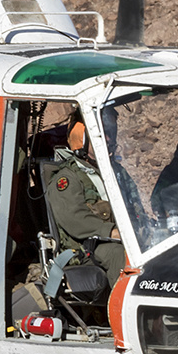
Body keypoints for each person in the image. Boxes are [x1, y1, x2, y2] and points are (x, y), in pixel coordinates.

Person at [44, 118, 126, 290]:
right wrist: (111, 231)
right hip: (85, 248)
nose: (108, 139)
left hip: (121, 238)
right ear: (81, 140)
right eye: (101, 135)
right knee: (119, 255)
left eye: (110, 134)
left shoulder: (115, 172)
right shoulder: (67, 178)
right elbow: (74, 219)